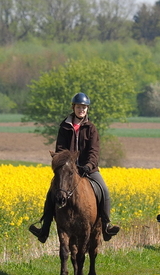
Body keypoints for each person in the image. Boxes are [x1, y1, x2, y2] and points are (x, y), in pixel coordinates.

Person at [29, 92, 120, 242]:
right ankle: (43, 229)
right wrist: (66, 165)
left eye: (84, 107)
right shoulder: (64, 127)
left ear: (87, 109)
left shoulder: (91, 128)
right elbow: (60, 149)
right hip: (67, 170)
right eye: (79, 107)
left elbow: (94, 151)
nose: (81, 110)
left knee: (104, 190)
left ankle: (106, 225)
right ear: (73, 108)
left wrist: (88, 166)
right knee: (52, 192)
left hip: (88, 169)